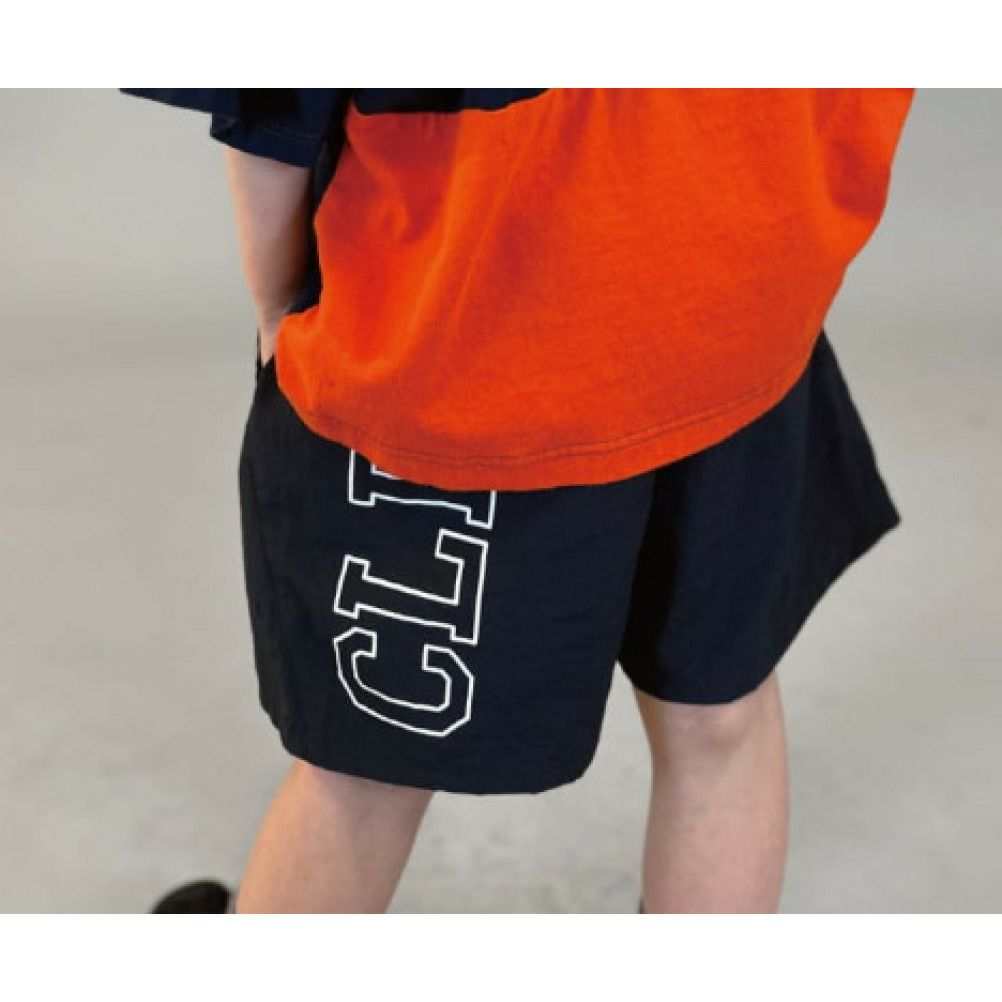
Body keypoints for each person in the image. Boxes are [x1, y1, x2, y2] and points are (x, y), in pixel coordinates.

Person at [123, 88, 914, 913]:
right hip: (741, 277)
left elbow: (275, 93)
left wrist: (276, 299)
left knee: (366, 768)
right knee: (721, 713)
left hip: (476, 331)